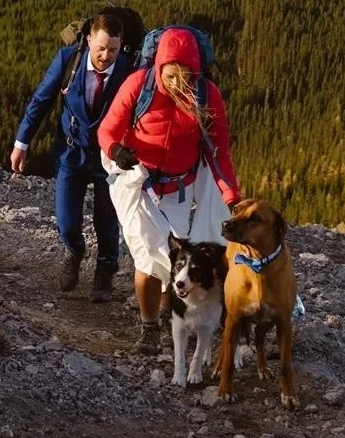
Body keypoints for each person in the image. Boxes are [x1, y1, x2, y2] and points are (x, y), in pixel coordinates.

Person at [97, 26, 241, 354]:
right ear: (159, 67)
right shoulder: (139, 85)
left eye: (186, 77)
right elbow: (108, 129)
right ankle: (149, 328)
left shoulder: (207, 95)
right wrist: (115, 150)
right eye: (171, 77)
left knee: (175, 260)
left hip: (179, 191)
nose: (178, 84)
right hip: (138, 186)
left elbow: (219, 153)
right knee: (148, 259)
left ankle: (165, 314)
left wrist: (232, 197)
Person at [11, 8, 136, 300]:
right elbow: (41, 99)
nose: (107, 55)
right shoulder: (69, 60)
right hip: (71, 151)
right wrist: (22, 142)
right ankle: (74, 249)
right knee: (67, 218)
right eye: (102, 47)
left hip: (110, 157)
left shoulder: (129, 70)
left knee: (107, 219)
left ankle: (105, 269)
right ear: (89, 39)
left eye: (114, 49)